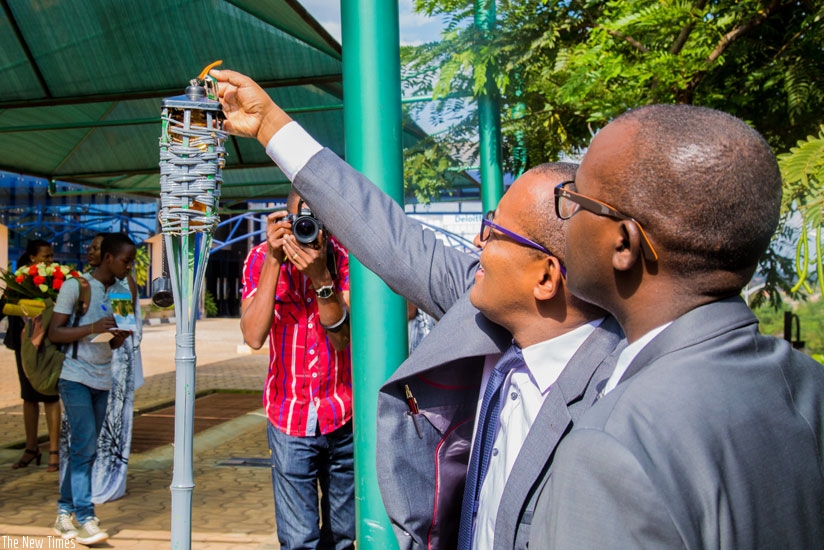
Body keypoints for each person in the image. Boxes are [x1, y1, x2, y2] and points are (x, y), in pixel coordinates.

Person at [212, 68, 624, 550]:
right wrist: (268, 125)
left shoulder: (618, 404)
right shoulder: (490, 305)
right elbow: (391, 237)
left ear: (546, 277)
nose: (475, 242)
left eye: (493, 233)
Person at [527, 104, 824, 548]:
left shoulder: (612, 445)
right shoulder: (810, 383)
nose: (564, 218)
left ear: (623, 244)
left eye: (574, 200)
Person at [240, 189, 354, 550]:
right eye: (298, 221)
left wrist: (322, 279)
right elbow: (254, 336)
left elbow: (341, 340)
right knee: (298, 540)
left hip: (342, 414)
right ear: (284, 220)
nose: (307, 230)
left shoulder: (343, 259)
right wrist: (275, 261)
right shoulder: (260, 259)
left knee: (342, 536)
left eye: (315, 222)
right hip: (289, 415)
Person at [49, 232, 136, 544]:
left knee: (84, 449)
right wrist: (91, 328)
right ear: (109, 258)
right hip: (73, 377)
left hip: (102, 378)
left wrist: (119, 336)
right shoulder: (77, 286)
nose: (129, 267)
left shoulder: (122, 292)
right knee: (85, 446)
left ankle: (63, 513)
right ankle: (86, 517)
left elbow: (112, 342)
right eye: (126, 261)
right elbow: (54, 333)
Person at [1, 239, 62, 472]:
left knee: (49, 394)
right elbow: (3, 308)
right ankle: (31, 448)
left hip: (48, 346)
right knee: (28, 396)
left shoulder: (57, 280)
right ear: (32, 258)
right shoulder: (18, 281)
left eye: (51, 256)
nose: (50, 260)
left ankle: (54, 451)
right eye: (46, 256)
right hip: (22, 345)